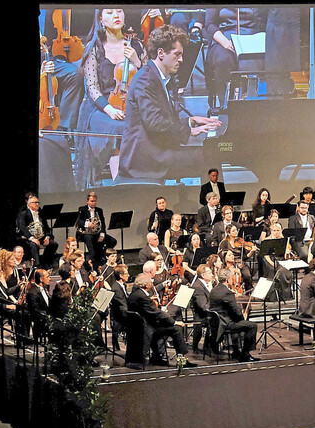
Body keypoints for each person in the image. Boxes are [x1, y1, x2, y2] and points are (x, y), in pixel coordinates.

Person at [119, 25, 221, 179]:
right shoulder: (145, 80)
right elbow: (155, 122)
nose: (181, 59)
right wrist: (188, 131)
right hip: (146, 159)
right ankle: (212, 202)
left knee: (209, 155)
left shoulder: (155, 76)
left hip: (156, 151)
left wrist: (190, 121)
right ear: (161, 53)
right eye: (177, 54)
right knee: (208, 158)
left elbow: (161, 118)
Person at [75, 9, 146, 188]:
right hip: (102, 107)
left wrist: (138, 62)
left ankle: (140, 182)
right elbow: (92, 88)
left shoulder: (136, 45)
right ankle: (119, 184)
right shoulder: (94, 48)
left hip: (132, 104)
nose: (116, 15)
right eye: (109, 12)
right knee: (117, 127)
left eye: (119, 11)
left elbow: (149, 79)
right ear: (100, 19)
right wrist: (110, 109)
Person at [127, 274, 195, 367]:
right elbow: (156, 313)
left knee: (171, 326)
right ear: (146, 285)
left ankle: (159, 356)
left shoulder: (136, 294)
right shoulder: (143, 297)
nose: (152, 283)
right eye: (150, 282)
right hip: (148, 329)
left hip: (141, 326)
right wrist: (174, 321)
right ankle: (181, 360)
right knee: (176, 329)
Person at [209, 268, 260, 362]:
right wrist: (242, 316)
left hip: (216, 323)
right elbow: (237, 311)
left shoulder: (214, 290)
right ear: (227, 279)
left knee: (239, 324)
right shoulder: (227, 292)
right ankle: (245, 354)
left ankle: (236, 351)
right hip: (224, 323)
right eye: (232, 277)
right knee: (252, 326)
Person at [74, 191, 117, 267]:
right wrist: (88, 224)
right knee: (89, 239)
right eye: (91, 201)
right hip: (85, 233)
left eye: (94, 201)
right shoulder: (82, 209)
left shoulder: (99, 210)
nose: (93, 203)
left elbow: (102, 223)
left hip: (96, 233)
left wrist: (102, 234)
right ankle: (94, 261)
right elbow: (79, 221)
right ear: (88, 201)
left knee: (113, 241)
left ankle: (101, 255)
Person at [16, 194, 58, 269]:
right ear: (29, 204)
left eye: (38, 202)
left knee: (54, 244)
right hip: (29, 237)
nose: (37, 204)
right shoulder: (23, 214)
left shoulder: (40, 213)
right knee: (33, 245)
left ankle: (45, 262)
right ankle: (37, 265)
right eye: (35, 202)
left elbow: (46, 228)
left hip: (41, 236)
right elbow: (22, 228)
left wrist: (47, 237)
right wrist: (32, 238)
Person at [189, 264, 213, 353]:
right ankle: (206, 347)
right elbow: (203, 305)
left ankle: (211, 346)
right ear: (203, 275)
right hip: (202, 315)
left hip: (208, 313)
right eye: (210, 273)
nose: (212, 274)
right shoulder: (197, 287)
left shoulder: (207, 284)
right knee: (216, 321)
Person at [25, 269, 52, 339]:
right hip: (40, 318)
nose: (50, 279)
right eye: (47, 277)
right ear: (41, 279)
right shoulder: (33, 292)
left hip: (47, 315)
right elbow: (35, 309)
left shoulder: (45, 288)